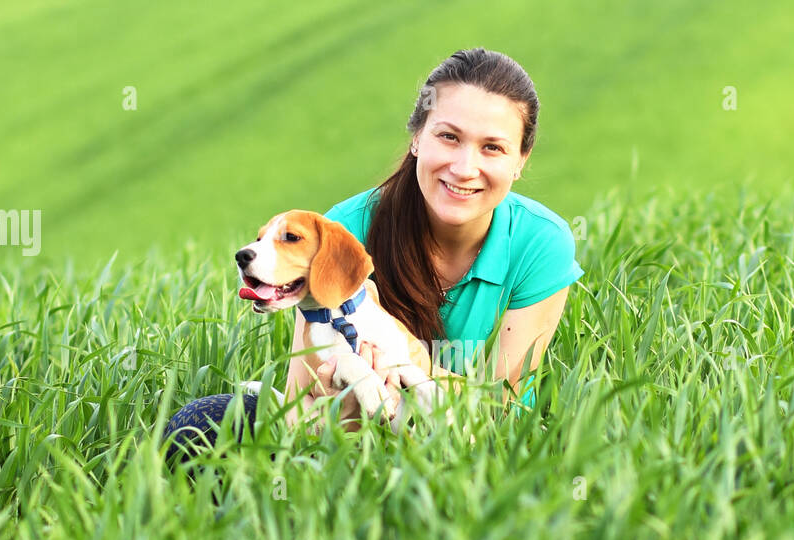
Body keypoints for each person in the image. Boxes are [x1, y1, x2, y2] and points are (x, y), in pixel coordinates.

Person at [165, 48, 584, 463]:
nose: (463, 167)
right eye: (449, 136)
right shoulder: (340, 232)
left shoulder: (540, 243)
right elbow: (297, 402)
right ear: (418, 137)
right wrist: (339, 412)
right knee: (197, 426)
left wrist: (406, 371)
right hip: (343, 439)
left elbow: (498, 402)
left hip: (471, 443)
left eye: (492, 147)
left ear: (521, 160)